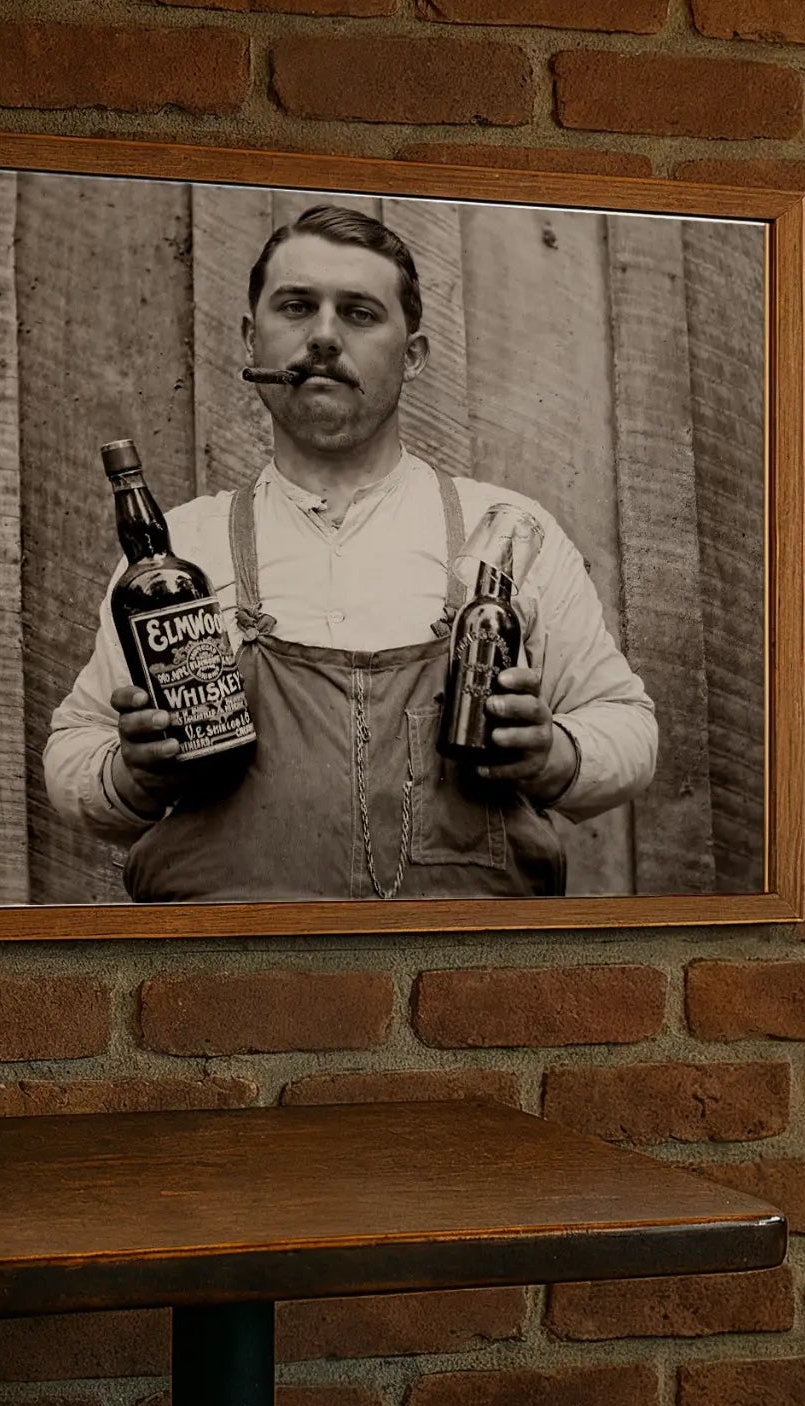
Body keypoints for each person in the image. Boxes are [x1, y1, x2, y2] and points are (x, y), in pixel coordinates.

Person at [43, 204, 657, 902]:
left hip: (463, 974)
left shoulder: (509, 535)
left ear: (413, 355)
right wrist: (132, 775)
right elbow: (72, 753)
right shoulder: (177, 557)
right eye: (298, 307)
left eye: (361, 314)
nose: (325, 337)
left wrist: (553, 756)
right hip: (229, 982)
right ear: (253, 341)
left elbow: (628, 727)